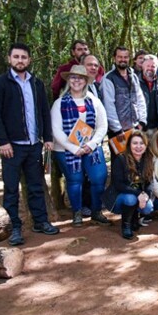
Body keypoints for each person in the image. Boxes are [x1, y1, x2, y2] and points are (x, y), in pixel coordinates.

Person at [0, 43, 59, 245]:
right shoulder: (0, 83)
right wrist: (3, 141)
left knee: (36, 185)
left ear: (29, 60)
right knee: (11, 189)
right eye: (16, 57)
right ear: (10, 59)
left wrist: (48, 138)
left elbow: (44, 112)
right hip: (11, 147)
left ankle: (40, 221)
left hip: (33, 145)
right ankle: (14, 228)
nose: (20, 60)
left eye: (24, 57)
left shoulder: (36, 83)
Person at [51, 65, 110, 226]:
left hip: (91, 148)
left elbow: (102, 126)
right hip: (66, 150)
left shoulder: (94, 101)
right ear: (68, 80)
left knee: (99, 178)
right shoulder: (59, 103)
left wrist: (91, 144)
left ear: (85, 81)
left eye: (80, 78)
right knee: (74, 180)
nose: (76, 81)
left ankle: (96, 211)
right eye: (73, 78)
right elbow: (56, 129)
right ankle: (76, 212)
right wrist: (74, 148)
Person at [106, 131, 154, 239]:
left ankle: (133, 218)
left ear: (146, 146)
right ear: (129, 145)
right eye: (135, 143)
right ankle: (126, 225)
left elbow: (150, 183)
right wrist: (139, 194)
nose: (138, 146)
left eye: (142, 143)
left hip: (138, 194)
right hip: (119, 197)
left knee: (148, 207)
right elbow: (118, 184)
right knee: (130, 199)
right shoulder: (121, 159)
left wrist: (145, 195)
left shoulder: (148, 159)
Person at [101, 46, 147, 151]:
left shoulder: (133, 76)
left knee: (135, 161)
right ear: (114, 58)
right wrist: (117, 129)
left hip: (135, 127)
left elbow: (140, 99)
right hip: (118, 131)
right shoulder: (108, 79)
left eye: (125, 57)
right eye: (120, 57)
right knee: (120, 163)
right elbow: (109, 105)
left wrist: (142, 121)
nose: (123, 59)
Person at [137, 54, 158, 136]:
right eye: (148, 65)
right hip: (140, 128)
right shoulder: (135, 82)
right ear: (142, 66)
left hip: (157, 128)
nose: (150, 68)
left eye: (153, 66)